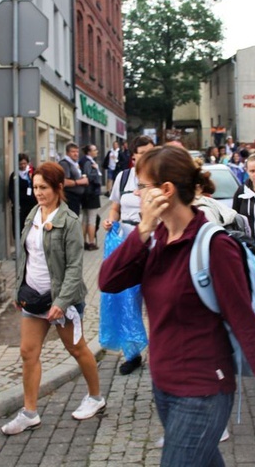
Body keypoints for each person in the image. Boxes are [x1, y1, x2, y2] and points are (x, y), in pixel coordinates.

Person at [98, 145, 255, 465]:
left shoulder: (216, 247)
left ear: (165, 190)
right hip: (164, 385)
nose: (135, 193)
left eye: (141, 186)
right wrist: (143, 229)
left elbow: (247, 325)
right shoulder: (155, 240)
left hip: (205, 388)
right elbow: (108, 281)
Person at [1, 162, 106, 435]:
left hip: (62, 300)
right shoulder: (33, 214)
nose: (38, 193)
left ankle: (95, 397)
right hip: (33, 298)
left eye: (44, 188)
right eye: (35, 187)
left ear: (59, 188)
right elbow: (25, 256)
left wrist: (61, 302)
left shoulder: (69, 221)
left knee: (77, 349)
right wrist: (18, 290)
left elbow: (74, 267)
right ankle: (29, 412)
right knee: (28, 353)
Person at [102, 135, 155, 375]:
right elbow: (115, 207)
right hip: (127, 242)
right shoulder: (124, 177)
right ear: (133, 155)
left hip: (154, 244)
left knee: (156, 298)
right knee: (128, 301)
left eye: (150, 152)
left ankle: (163, 349)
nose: (146, 157)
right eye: (142, 153)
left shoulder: (159, 176)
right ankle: (132, 354)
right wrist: (110, 221)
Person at [8, 153, 37, 238]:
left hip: (32, 204)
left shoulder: (32, 173)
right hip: (20, 206)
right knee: (20, 227)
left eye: (25, 163)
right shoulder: (14, 175)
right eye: (21, 164)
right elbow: (11, 191)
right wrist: (15, 202)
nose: (23, 166)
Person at [79, 144, 102, 251]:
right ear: (89, 152)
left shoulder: (83, 161)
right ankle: (91, 243)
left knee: (85, 218)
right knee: (91, 219)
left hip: (85, 193)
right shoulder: (88, 162)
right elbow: (88, 176)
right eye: (94, 150)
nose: (96, 151)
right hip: (91, 193)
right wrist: (96, 170)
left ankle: (83, 242)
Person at [59, 142, 89, 216]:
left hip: (77, 198)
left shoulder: (74, 163)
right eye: (73, 152)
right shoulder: (65, 163)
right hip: (69, 197)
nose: (76, 154)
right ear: (67, 153)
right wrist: (80, 182)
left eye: (77, 152)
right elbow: (65, 182)